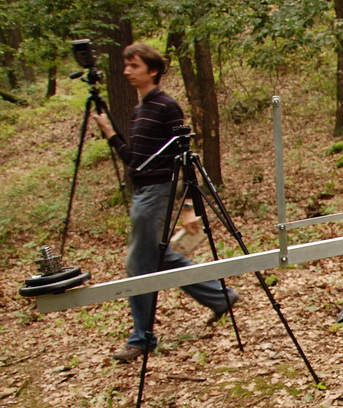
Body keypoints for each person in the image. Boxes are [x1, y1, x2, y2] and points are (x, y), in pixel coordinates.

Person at [92, 43, 237, 363]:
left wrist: (187, 207)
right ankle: (222, 298)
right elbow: (134, 162)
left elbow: (183, 158)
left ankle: (141, 338)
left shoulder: (166, 106)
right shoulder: (140, 109)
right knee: (160, 257)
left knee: (137, 265)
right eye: (126, 66)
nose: (127, 71)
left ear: (153, 70)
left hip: (158, 192)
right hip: (142, 190)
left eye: (135, 66)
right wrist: (109, 133)